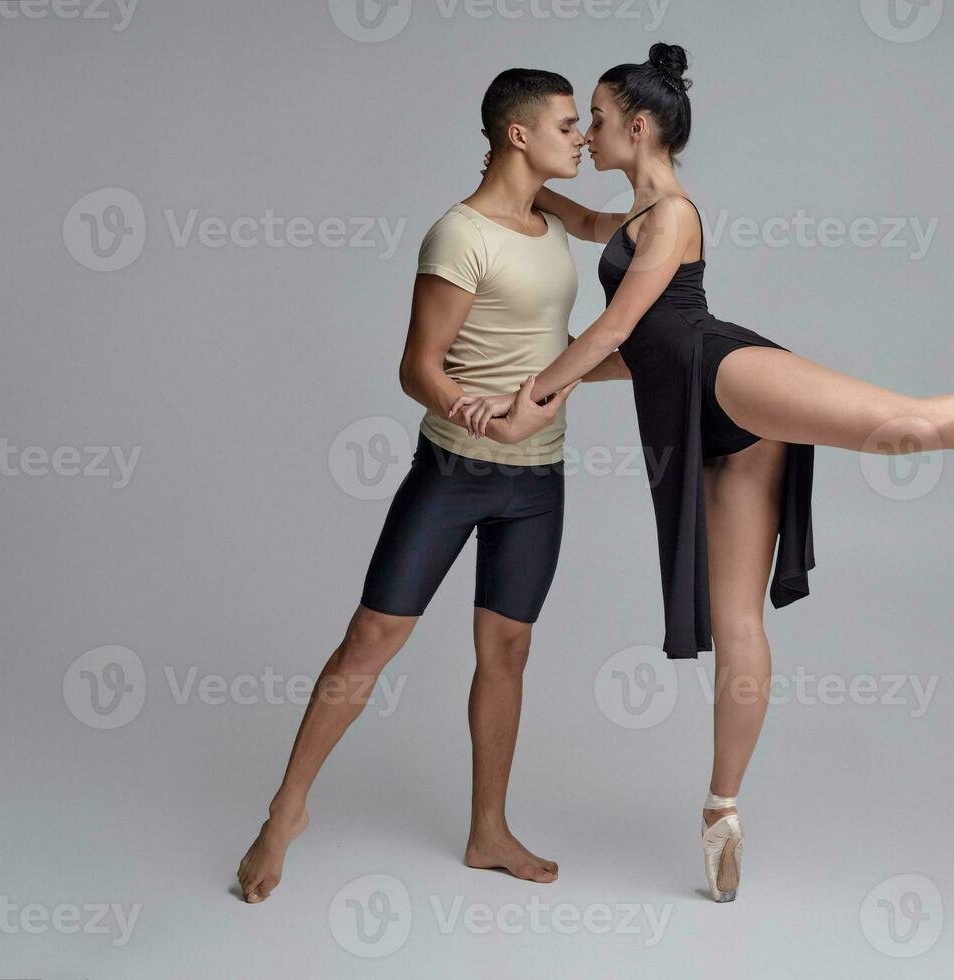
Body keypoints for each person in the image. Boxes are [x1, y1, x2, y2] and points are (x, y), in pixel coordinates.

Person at [457, 43, 954, 904]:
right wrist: (506, 167)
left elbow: (621, 330)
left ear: (640, 126)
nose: (585, 136)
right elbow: (562, 216)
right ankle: (721, 811)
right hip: (685, 406)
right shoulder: (623, 217)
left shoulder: (675, 215)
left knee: (902, 428)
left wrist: (538, 391)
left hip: (729, 374)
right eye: (575, 124)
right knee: (735, 623)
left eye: (599, 120)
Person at [235, 68, 629, 903]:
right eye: (568, 125)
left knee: (508, 653)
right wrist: (470, 409)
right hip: (455, 470)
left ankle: (488, 831)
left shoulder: (549, 213)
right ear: (517, 135)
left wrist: (666, 191)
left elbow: (608, 225)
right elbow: (417, 366)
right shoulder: (460, 234)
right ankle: (284, 812)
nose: (582, 138)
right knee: (372, 639)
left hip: (540, 478)